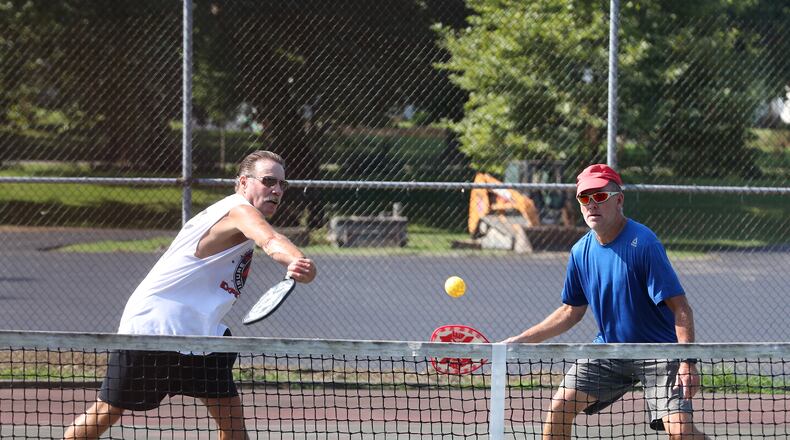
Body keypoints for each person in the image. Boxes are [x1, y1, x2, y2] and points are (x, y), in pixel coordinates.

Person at [64, 150, 317, 440]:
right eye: (269, 181)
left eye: (282, 184)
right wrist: (294, 260)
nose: (276, 190)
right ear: (244, 182)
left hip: (202, 335)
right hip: (156, 328)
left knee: (234, 428)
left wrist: (302, 264)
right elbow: (270, 240)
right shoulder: (239, 210)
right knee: (107, 412)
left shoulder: (241, 213)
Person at [503, 164, 708, 440]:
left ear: (619, 199)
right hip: (609, 351)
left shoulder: (644, 243)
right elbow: (570, 311)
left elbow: (680, 307)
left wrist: (687, 362)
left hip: (660, 353)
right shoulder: (580, 252)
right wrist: (521, 339)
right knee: (559, 408)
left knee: (681, 433)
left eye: (600, 196)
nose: (591, 204)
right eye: (584, 198)